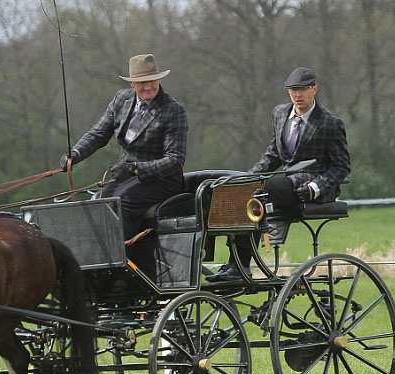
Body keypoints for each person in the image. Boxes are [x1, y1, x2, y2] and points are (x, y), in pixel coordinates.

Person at [209, 66, 351, 282]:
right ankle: (234, 262)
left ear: (315, 89)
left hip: (311, 185)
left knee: (260, 193)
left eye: (303, 89)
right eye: (293, 90)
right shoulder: (280, 113)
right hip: (287, 182)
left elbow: (341, 167)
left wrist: (316, 187)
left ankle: (242, 266)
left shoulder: (330, 123)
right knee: (240, 189)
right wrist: (247, 178)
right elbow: (274, 154)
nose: (297, 95)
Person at [60, 53, 187, 274]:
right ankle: (94, 262)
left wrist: (136, 168)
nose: (147, 87)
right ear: (131, 83)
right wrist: (76, 153)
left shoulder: (173, 111)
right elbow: (99, 133)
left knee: (120, 203)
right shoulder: (121, 100)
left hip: (162, 180)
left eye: (151, 81)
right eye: (141, 82)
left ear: (159, 80)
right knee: (99, 203)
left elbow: (174, 160)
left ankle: (120, 267)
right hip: (127, 178)